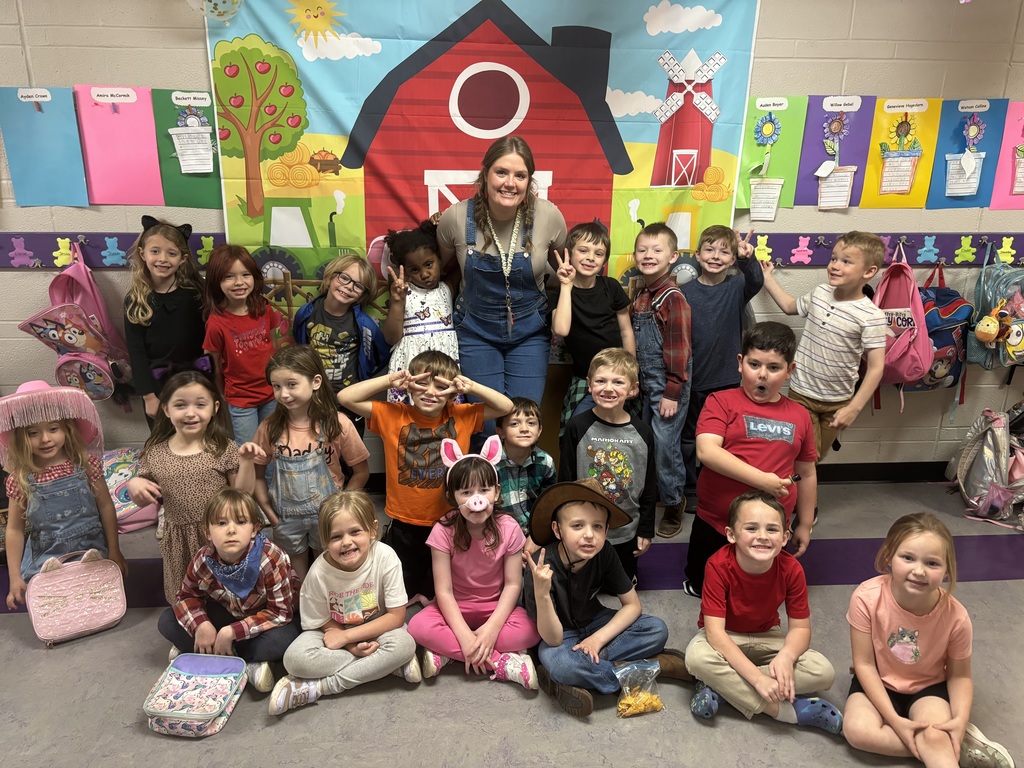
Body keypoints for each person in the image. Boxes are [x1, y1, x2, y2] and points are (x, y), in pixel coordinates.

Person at [338, 350, 512, 604]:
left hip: (449, 520)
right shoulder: (392, 414)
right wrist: (390, 380)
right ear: (410, 386)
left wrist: (469, 386)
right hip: (404, 519)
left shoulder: (461, 414)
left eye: (440, 386)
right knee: (398, 591)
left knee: (440, 592)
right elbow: (345, 397)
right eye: (423, 383)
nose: (430, 392)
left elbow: (506, 407)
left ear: (452, 392)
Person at [843, 512, 1014, 768]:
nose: (919, 571)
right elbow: (864, 664)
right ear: (889, 556)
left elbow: (960, 676)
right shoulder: (866, 598)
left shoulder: (956, 617)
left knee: (937, 740)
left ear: (947, 569)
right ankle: (945, 745)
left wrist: (959, 720)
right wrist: (895, 720)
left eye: (932, 563)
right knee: (857, 732)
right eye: (908, 558)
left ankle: (950, 740)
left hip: (928, 688)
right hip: (876, 681)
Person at [524, 479, 688, 717]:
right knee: (562, 664)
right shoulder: (539, 565)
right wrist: (541, 592)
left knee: (656, 629)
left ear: (606, 530)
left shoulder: (605, 552)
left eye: (598, 526)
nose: (589, 535)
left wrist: (597, 640)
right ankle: (653, 667)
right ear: (558, 530)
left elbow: (632, 606)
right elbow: (553, 637)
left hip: (594, 620)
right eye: (577, 525)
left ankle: (583, 674)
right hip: (560, 636)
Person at [684, 491, 842, 734]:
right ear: (731, 535)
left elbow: (800, 628)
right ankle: (785, 712)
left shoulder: (792, 569)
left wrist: (787, 657)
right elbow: (715, 634)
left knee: (823, 672)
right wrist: (758, 680)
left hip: (769, 636)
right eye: (751, 528)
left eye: (772, 529)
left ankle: (722, 688)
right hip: (725, 637)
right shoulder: (717, 565)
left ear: (785, 537)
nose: (762, 537)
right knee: (696, 657)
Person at [683, 322, 816, 599]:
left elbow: (806, 471)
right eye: (755, 365)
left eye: (774, 368)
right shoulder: (721, 401)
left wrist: (804, 522)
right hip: (716, 521)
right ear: (740, 364)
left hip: (769, 526)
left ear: (790, 371)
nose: (762, 376)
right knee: (701, 583)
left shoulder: (800, 415)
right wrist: (763, 481)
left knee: (754, 587)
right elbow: (707, 451)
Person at [437, 135, 567, 415]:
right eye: (501, 172)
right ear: (485, 174)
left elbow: (568, 268)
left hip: (530, 333)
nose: (510, 183)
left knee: (524, 419)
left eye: (520, 175)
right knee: (482, 423)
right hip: (474, 332)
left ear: (529, 181)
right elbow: (437, 271)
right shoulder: (456, 218)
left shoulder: (549, 216)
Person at [270, 490, 419, 716]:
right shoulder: (318, 573)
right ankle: (384, 666)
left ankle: (319, 688)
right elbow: (322, 622)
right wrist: (350, 646)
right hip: (334, 631)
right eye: (336, 537)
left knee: (405, 645)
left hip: (377, 628)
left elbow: (396, 616)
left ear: (372, 530)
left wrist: (348, 638)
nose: (346, 542)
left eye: (355, 532)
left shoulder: (385, 556)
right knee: (294, 660)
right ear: (324, 540)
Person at [408, 436, 541, 689]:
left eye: (483, 490)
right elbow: (443, 591)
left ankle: (446, 654)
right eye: (466, 492)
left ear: (496, 492)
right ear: (452, 496)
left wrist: (490, 630)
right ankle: (502, 662)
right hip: (454, 608)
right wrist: (465, 637)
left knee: (532, 629)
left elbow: (513, 586)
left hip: (495, 608)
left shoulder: (510, 528)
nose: (475, 500)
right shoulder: (443, 530)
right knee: (417, 626)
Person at [127, 370, 262, 604]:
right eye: (180, 405)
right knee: (184, 591)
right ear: (166, 409)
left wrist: (247, 461)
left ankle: (225, 630)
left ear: (215, 408)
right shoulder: (155, 453)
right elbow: (142, 498)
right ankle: (188, 628)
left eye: (200, 404)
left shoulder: (223, 448)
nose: (191, 413)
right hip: (178, 538)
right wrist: (133, 484)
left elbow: (241, 495)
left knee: (223, 591)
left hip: (218, 535)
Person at [760, 230, 886, 475]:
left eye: (846, 261)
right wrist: (767, 279)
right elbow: (788, 306)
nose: (835, 266)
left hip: (836, 403)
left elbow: (876, 367)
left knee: (814, 458)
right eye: (833, 258)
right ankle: (795, 506)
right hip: (801, 393)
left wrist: (853, 408)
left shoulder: (871, 316)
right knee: (799, 455)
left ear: (868, 272)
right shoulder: (819, 293)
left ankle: (801, 506)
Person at [158, 487, 300, 694]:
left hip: (269, 621)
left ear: (254, 529)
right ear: (207, 531)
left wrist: (231, 632)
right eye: (221, 523)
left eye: (241, 522)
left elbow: (281, 613)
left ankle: (204, 654)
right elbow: (187, 596)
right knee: (167, 620)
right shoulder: (203, 559)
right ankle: (245, 662)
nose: (231, 530)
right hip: (232, 614)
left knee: (282, 642)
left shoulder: (270, 558)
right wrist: (201, 626)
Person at [2, 381, 126, 609]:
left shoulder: (87, 465)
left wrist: (115, 549)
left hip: (92, 548)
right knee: (53, 606)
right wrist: (14, 577)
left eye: (53, 428)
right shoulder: (19, 479)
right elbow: (14, 529)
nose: (45, 439)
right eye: (33, 433)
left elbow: (106, 507)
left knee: (98, 601)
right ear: (20, 437)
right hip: (46, 555)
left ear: (67, 428)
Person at [252, 345, 370, 581]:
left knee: (327, 571)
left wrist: (341, 509)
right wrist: (269, 513)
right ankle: (302, 612)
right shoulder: (269, 427)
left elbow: (361, 472)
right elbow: (258, 475)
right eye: (276, 386)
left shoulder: (338, 424)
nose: (283, 394)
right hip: (285, 518)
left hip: (328, 517)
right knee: (297, 578)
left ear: (315, 382)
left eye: (291, 384)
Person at [676, 226, 762, 537]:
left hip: (727, 382)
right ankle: (690, 489)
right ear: (696, 255)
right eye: (709, 250)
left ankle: (723, 486)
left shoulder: (737, 286)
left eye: (724, 251)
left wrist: (746, 258)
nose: (715, 256)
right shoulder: (684, 294)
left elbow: (756, 280)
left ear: (731, 259)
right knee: (688, 441)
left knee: (725, 441)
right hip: (693, 381)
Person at [560, 348, 656, 584]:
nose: (608, 388)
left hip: (626, 528)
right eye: (601, 381)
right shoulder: (577, 426)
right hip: (586, 527)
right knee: (582, 585)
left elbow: (650, 484)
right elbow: (565, 479)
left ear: (632, 389)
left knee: (619, 587)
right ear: (589, 385)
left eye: (618, 382)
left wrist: (645, 530)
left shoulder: (643, 432)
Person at [631, 222, 692, 539]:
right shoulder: (642, 294)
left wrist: (672, 391)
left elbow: (679, 349)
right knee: (647, 442)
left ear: (673, 256)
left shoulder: (672, 298)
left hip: (669, 385)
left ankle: (673, 502)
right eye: (642, 250)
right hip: (646, 382)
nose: (648, 255)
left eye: (657, 250)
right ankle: (650, 498)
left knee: (665, 447)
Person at [551, 220, 635, 432]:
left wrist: (633, 375)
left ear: (605, 260)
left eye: (598, 253)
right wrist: (566, 286)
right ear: (569, 253)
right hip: (584, 380)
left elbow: (626, 331)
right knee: (574, 432)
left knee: (620, 433)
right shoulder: (560, 293)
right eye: (583, 250)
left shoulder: (611, 287)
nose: (590, 257)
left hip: (619, 376)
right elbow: (561, 330)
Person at [123, 215, 206, 427]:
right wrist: (149, 397)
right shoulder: (136, 300)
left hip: (194, 380)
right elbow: (137, 352)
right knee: (164, 441)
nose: (163, 259)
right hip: (157, 386)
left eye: (171, 253)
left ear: (183, 259)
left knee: (197, 437)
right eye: (155, 251)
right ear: (143, 254)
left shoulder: (195, 294)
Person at [203, 244, 287, 446]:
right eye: (228, 276)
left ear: (254, 277)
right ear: (217, 282)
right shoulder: (216, 323)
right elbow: (212, 365)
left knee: (271, 446)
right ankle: (251, 480)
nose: (239, 283)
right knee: (249, 451)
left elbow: (273, 346)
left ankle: (270, 480)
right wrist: (220, 394)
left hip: (270, 393)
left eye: (245, 275)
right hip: (241, 400)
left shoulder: (263, 308)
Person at [292, 253, 390, 412]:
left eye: (358, 286)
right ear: (330, 277)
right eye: (344, 278)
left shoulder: (364, 325)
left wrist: (363, 376)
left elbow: (381, 354)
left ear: (362, 295)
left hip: (347, 400)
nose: (349, 286)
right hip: (313, 397)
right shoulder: (306, 313)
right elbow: (299, 341)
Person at [381, 218, 460, 404]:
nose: (424, 274)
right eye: (415, 269)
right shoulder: (402, 292)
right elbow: (391, 338)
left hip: (445, 366)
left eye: (429, 264)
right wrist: (397, 302)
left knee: (445, 415)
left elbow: (463, 255)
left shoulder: (447, 287)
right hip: (410, 366)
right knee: (406, 419)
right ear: (406, 271)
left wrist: (439, 225)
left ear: (440, 260)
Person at [494, 397, 555, 549]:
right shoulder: (490, 464)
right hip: (497, 536)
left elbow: (548, 505)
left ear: (539, 430)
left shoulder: (545, 461)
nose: (524, 429)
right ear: (500, 431)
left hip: (534, 535)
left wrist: (535, 537)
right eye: (515, 423)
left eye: (531, 423)